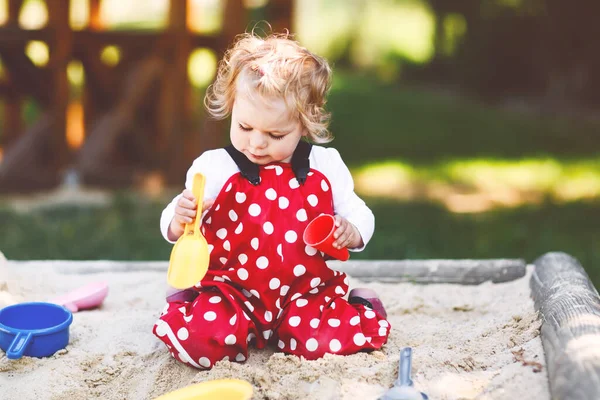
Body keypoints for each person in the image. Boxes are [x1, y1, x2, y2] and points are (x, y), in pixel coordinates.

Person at [153, 32, 390, 369]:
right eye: (245, 127)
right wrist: (178, 219)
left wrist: (352, 231)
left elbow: (359, 212)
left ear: (304, 125)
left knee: (323, 345)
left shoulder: (324, 167)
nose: (257, 144)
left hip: (304, 294)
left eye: (276, 135)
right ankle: (190, 303)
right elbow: (177, 224)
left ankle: (363, 306)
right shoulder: (216, 168)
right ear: (233, 108)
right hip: (234, 293)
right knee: (199, 345)